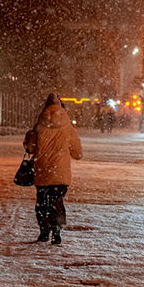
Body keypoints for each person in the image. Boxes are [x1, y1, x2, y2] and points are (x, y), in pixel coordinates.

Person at [24, 93, 83, 245]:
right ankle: (57, 232)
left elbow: (30, 148)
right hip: (60, 171)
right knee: (57, 201)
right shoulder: (68, 127)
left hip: (42, 170)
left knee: (42, 202)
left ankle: (44, 232)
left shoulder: (38, 126)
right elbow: (77, 153)